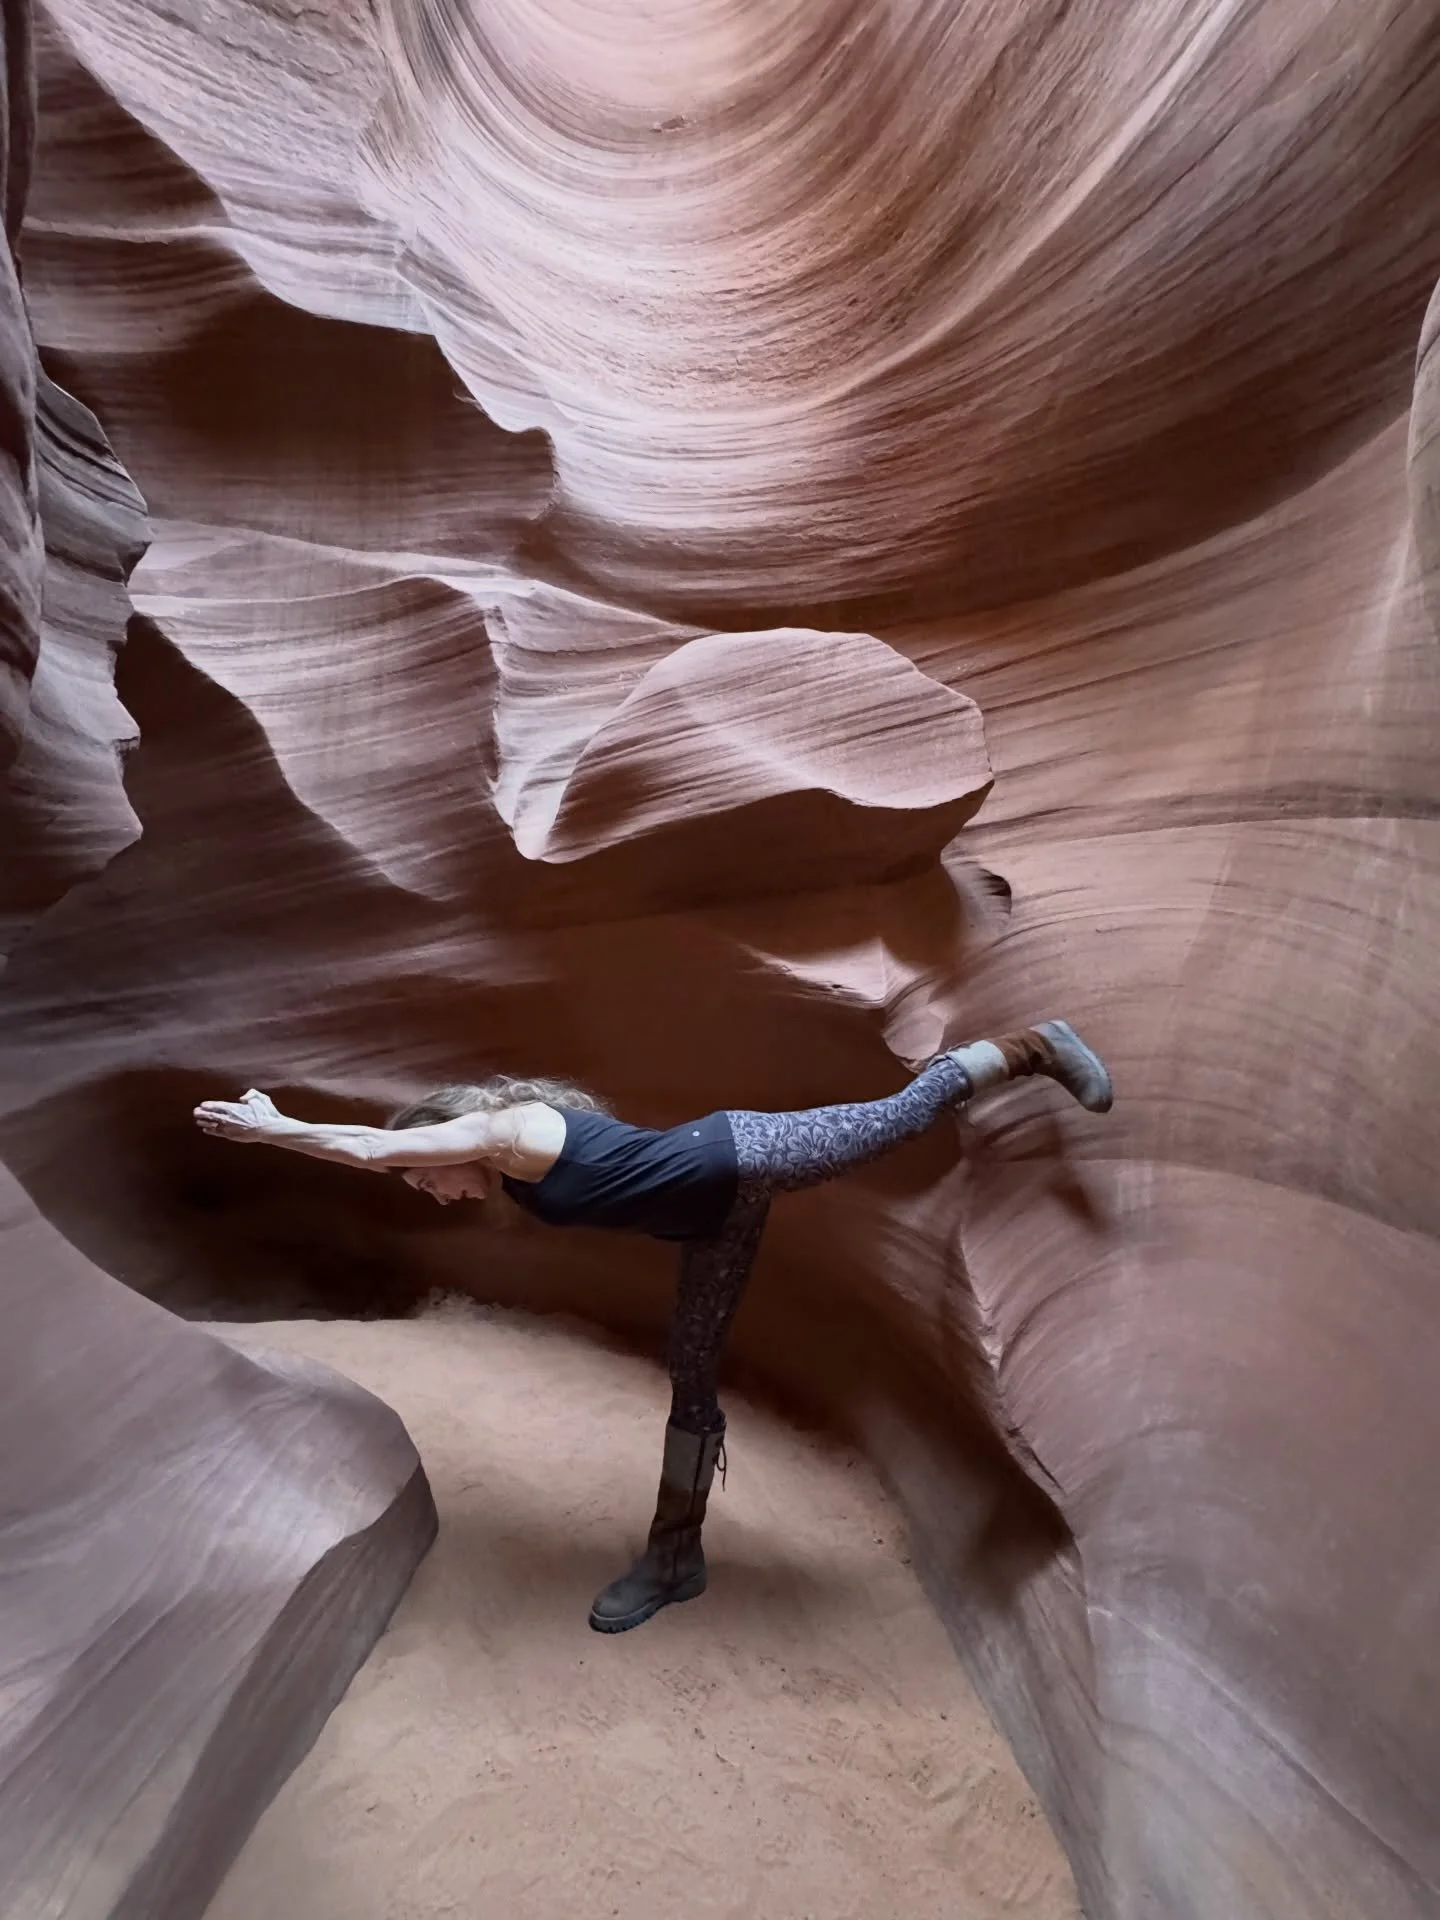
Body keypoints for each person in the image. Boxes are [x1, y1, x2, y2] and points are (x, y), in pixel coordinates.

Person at [195, 1021, 1112, 1634]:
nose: (428, 1191)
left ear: (449, 1140)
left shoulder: (508, 1131)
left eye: (424, 1177)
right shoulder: (513, 1168)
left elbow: (374, 1147)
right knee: (692, 1371)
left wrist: (275, 1131)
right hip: (718, 1215)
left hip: (744, 1151)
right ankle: (676, 1559)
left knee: (899, 1117)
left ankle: (1033, 1046)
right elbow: (393, 1154)